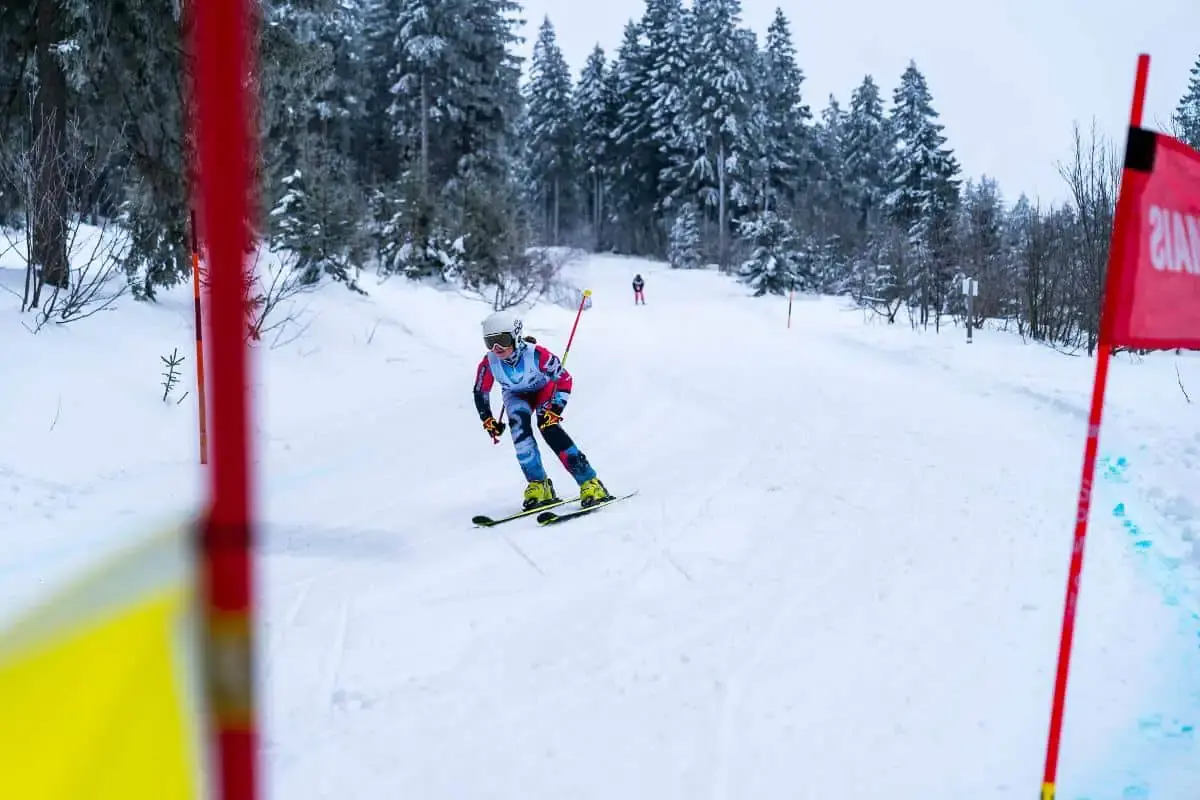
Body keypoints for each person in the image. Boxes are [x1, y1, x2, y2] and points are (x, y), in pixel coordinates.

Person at [473, 310, 613, 510]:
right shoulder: (490, 362)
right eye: (490, 342)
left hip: (544, 390)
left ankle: (590, 483)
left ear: (515, 335)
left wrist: (556, 409)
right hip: (516, 397)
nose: (497, 348)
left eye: (502, 340)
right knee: (519, 430)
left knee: (549, 427)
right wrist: (487, 419)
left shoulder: (537, 354)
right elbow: (480, 391)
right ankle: (539, 484)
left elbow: (564, 379)